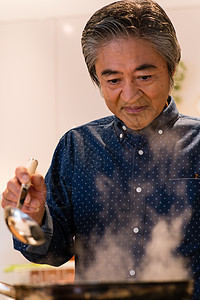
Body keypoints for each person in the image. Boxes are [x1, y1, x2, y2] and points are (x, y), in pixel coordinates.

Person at [1, 0, 200, 298]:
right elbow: (51, 254)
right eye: (113, 80)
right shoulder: (76, 148)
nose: (130, 95)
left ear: (171, 70)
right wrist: (29, 218)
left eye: (144, 77)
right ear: (98, 80)